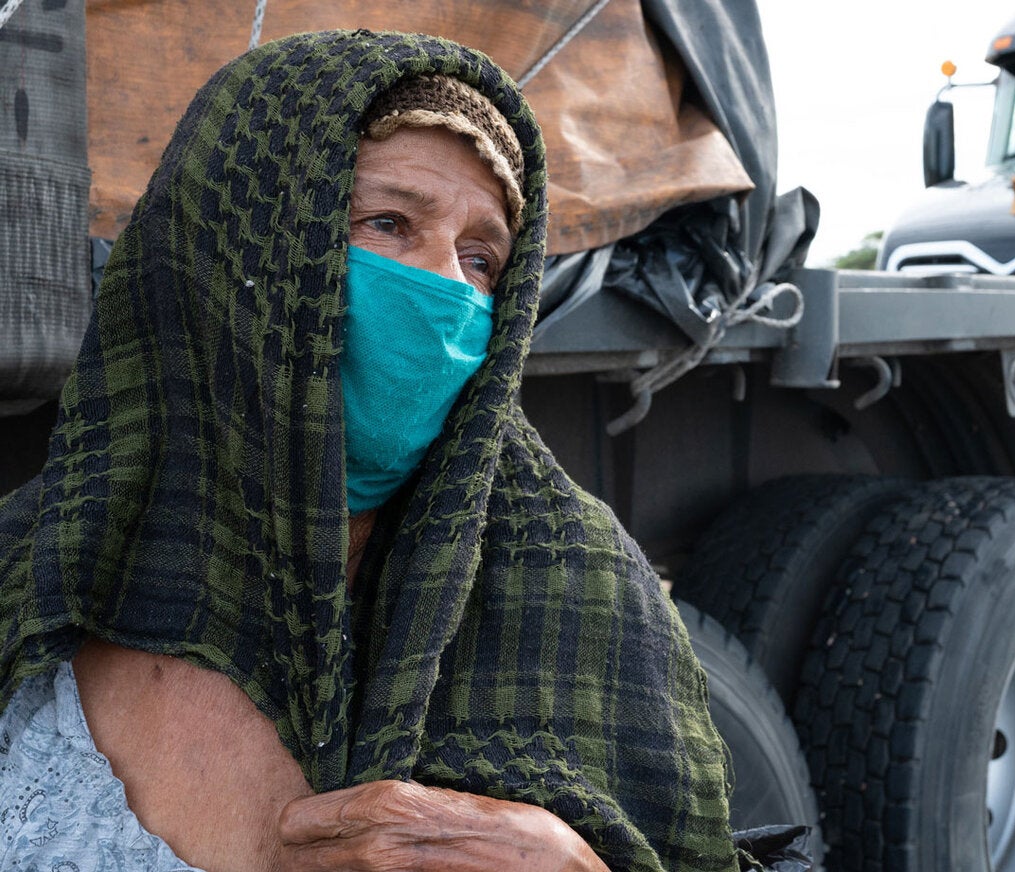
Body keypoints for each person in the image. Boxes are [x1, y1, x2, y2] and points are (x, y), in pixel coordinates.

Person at [0, 30, 746, 872]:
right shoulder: (35, 568)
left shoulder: (581, 589)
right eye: (388, 223)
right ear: (235, 244)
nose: (447, 291)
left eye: (482, 257)